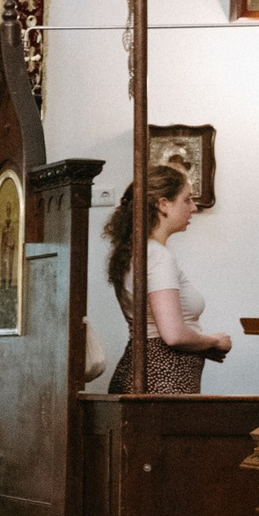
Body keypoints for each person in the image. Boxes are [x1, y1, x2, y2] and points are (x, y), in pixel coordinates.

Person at [104, 163, 230, 393]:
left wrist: (200, 346)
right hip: (163, 377)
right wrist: (214, 341)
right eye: (187, 199)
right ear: (163, 204)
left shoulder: (138, 251)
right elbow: (173, 335)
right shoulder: (157, 255)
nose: (194, 207)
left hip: (146, 372)